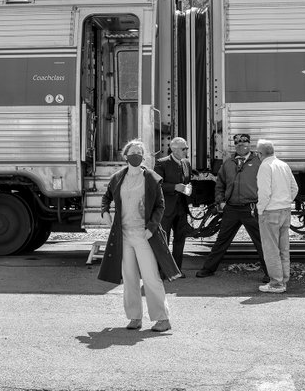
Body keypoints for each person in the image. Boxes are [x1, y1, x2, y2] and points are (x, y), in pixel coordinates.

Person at [97, 139, 181, 333]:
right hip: (123, 236)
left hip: (144, 236)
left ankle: (162, 318)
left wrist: (151, 228)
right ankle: (135, 317)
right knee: (130, 278)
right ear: (125, 155)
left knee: (151, 278)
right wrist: (105, 212)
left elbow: (160, 205)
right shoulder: (118, 177)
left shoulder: (151, 178)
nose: (137, 155)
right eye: (133, 151)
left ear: (144, 157)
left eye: (140, 152)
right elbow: (106, 197)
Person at [196, 133, 270, 282]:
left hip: (251, 208)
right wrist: (220, 201)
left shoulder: (258, 162)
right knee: (222, 240)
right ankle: (208, 269)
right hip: (231, 208)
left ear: (250, 144)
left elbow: (267, 183)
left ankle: (269, 273)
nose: (240, 144)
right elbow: (220, 184)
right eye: (236, 142)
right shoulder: (228, 163)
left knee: (261, 241)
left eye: (244, 141)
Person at [256, 139, 299, 293]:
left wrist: (260, 210)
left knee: (271, 250)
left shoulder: (265, 167)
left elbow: (264, 193)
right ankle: (283, 280)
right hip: (285, 211)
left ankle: (276, 284)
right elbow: (294, 188)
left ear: (260, 154)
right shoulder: (283, 165)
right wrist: (286, 202)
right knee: (283, 249)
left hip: (270, 212)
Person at [154, 137, 192, 276]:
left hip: (182, 208)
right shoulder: (161, 163)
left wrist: (188, 189)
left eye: (186, 148)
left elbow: (188, 181)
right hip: (167, 208)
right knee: (164, 240)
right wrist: (175, 187)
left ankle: (176, 270)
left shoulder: (186, 163)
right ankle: (162, 270)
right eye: (184, 149)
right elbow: (156, 185)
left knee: (180, 239)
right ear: (174, 149)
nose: (186, 151)